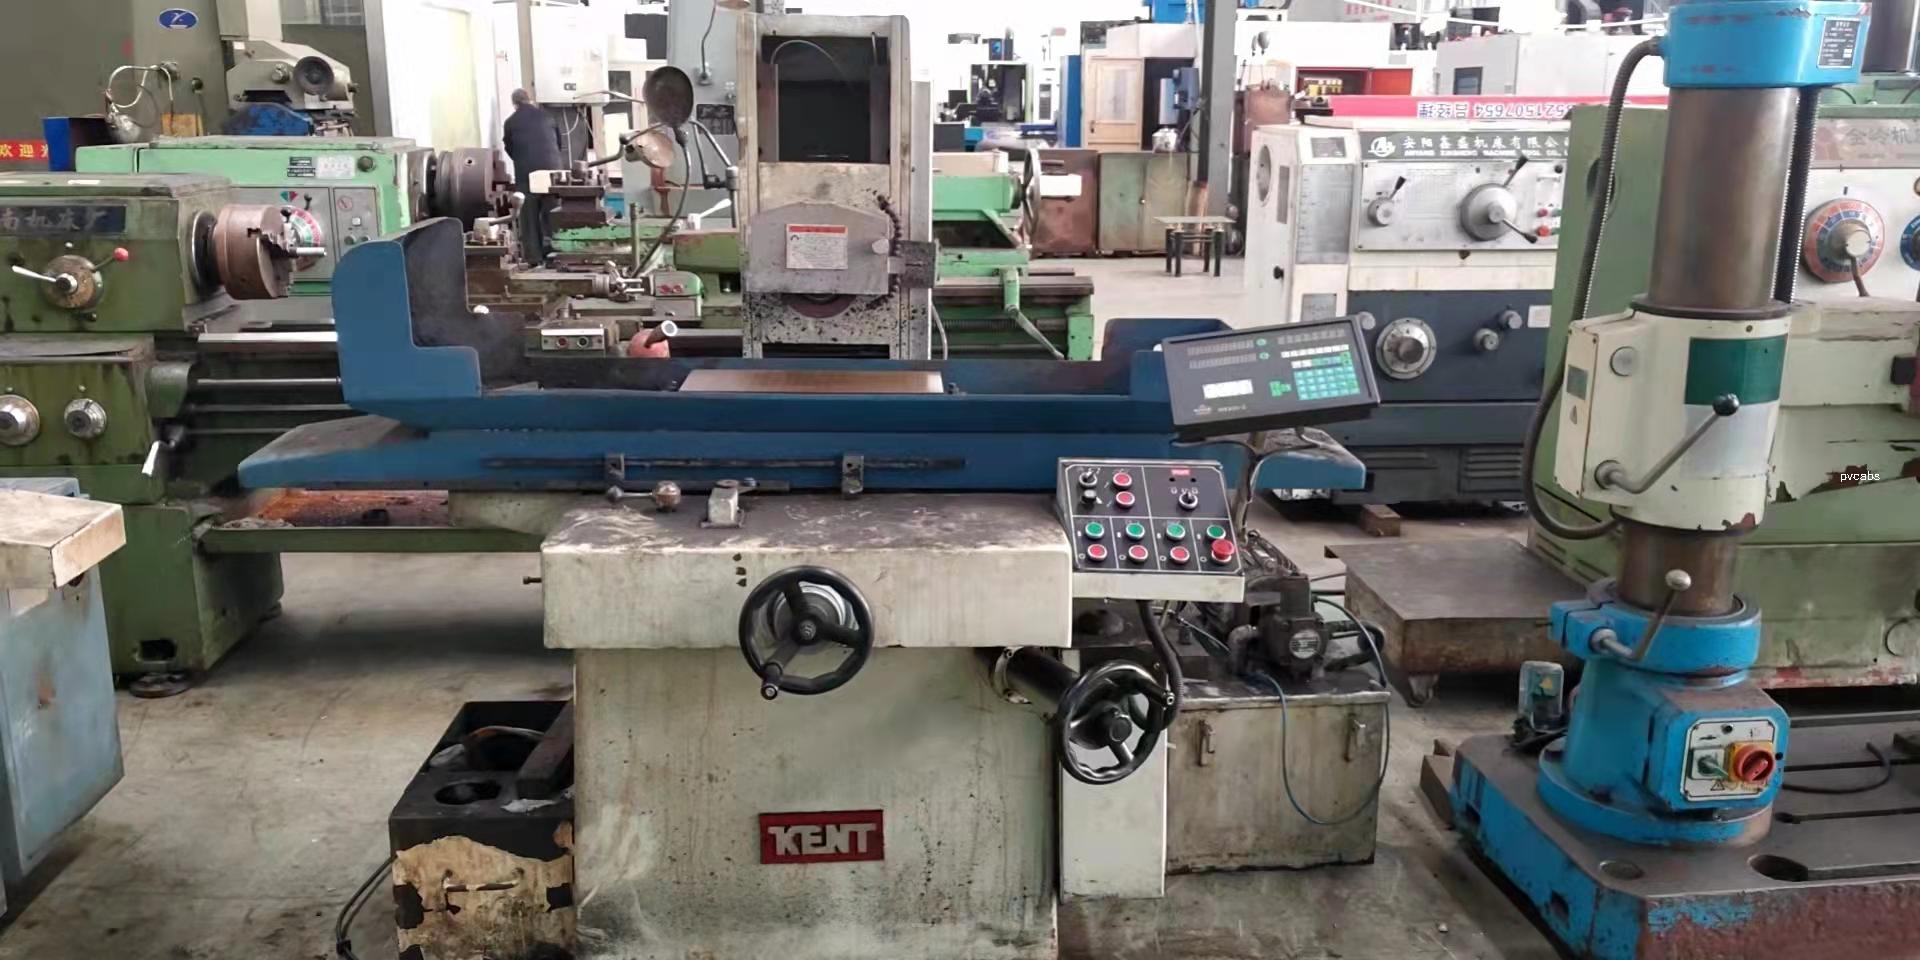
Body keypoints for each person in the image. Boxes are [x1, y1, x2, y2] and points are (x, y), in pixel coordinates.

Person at [502, 88, 565, 264]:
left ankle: (533, 258)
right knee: (553, 214)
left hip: (527, 173)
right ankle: (558, 255)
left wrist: (524, 160)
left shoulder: (511, 122)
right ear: (530, 100)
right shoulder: (548, 117)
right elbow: (559, 143)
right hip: (552, 171)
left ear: (514, 104)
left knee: (529, 216)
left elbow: (509, 148)